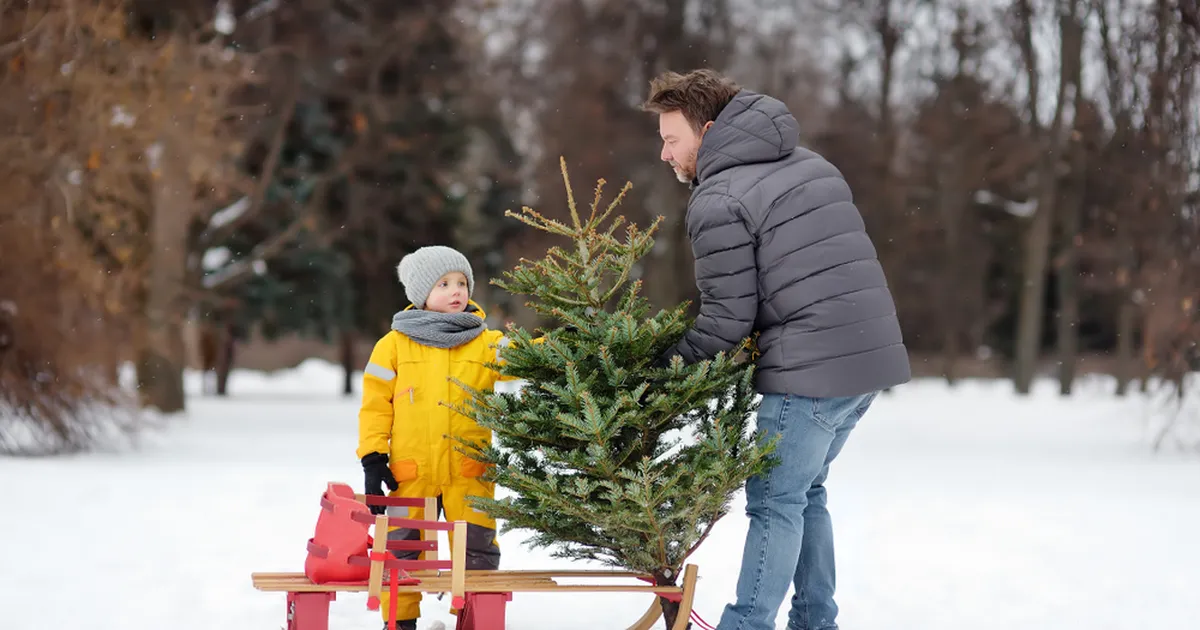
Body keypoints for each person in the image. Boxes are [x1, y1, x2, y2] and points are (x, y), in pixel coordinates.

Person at [642, 69, 911, 630]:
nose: (664, 153)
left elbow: (727, 320)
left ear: (707, 130)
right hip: (868, 358)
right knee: (805, 494)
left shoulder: (719, 198)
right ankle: (814, 621)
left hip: (808, 369)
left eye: (671, 139)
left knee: (774, 502)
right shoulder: (811, 164)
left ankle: (748, 624)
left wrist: (658, 368)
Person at [356, 245, 512, 630]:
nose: (456, 291)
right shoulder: (393, 345)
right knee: (402, 550)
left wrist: (561, 345)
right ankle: (401, 621)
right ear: (421, 293)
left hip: (469, 472)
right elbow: (375, 406)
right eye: (444, 284)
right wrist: (373, 457)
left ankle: (475, 620)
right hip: (411, 474)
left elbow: (525, 356)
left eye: (462, 283)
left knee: (477, 551)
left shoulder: (485, 342)